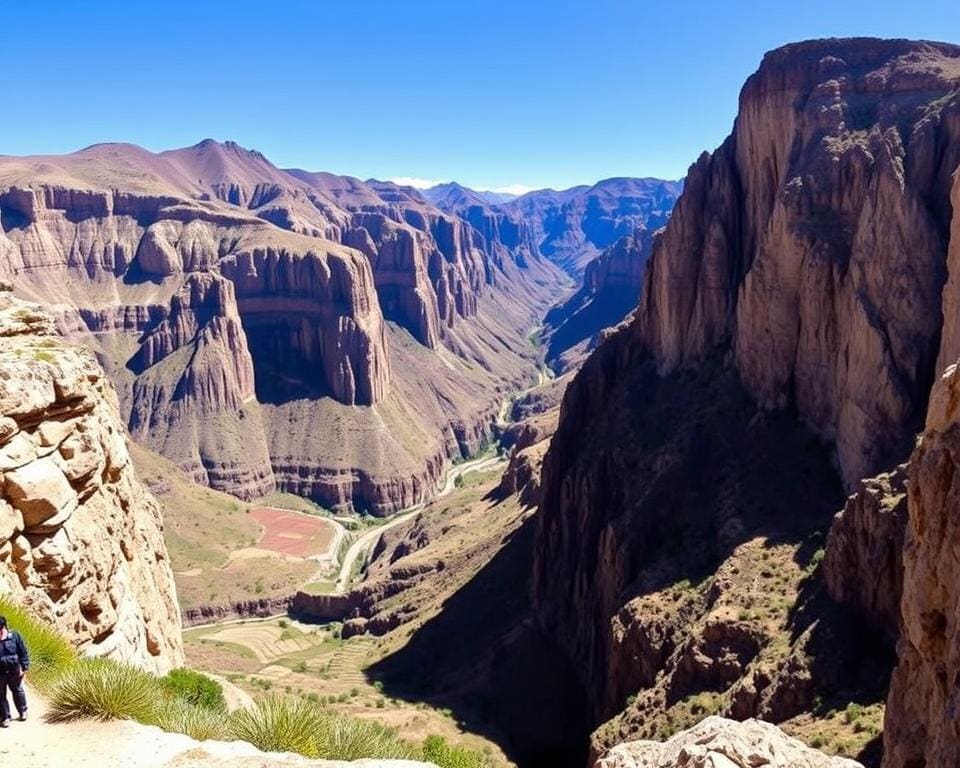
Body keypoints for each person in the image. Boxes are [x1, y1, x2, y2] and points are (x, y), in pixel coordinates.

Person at [0, 617, 29, 727]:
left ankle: (23, 711)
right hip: (0, 672)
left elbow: (22, 652)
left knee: (18, 691)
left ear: (3, 627)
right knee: (1, 695)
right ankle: (5, 717)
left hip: (14, 670)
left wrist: (24, 667)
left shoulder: (14, 636)